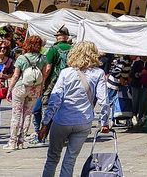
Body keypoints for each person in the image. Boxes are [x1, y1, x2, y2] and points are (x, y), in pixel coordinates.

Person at [38, 41, 108, 177]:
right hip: (84, 121)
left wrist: (45, 122)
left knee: (52, 158)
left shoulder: (65, 73)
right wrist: (104, 122)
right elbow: (104, 101)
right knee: (70, 159)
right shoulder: (98, 73)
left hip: (62, 120)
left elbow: (55, 99)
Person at [6, 35, 45, 151]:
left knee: (16, 114)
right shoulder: (43, 58)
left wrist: (9, 89)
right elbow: (43, 75)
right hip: (34, 88)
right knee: (28, 114)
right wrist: (41, 89)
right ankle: (21, 141)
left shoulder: (22, 58)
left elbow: (16, 75)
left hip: (21, 87)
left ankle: (12, 142)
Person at [34, 26, 74, 139]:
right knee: (65, 106)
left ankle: (43, 133)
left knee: (46, 106)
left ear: (58, 37)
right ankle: (64, 135)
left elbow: (47, 68)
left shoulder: (53, 49)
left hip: (53, 81)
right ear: (67, 37)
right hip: (70, 82)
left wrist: (43, 83)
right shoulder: (73, 49)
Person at [102, 52, 131, 129]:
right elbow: (115, 71)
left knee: (114, 103)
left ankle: (112, 121)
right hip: (113, 85)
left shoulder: (128, 61)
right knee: (110, 103)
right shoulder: (124, 61)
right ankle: (105, 122)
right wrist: (121, 78)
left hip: (118, 85)